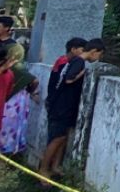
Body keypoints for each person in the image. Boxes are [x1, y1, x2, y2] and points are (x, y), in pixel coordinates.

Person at [38, 37, 91, 179]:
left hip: (61, 105)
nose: (83, 53)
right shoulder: (66, 63)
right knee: (57, 138)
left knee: (62, 137)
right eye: (81, 50)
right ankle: (44, 169)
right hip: (59, 106)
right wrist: (82, 73)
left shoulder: (64, 61)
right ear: (73, 49)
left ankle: (55, 166)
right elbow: (66, 80)